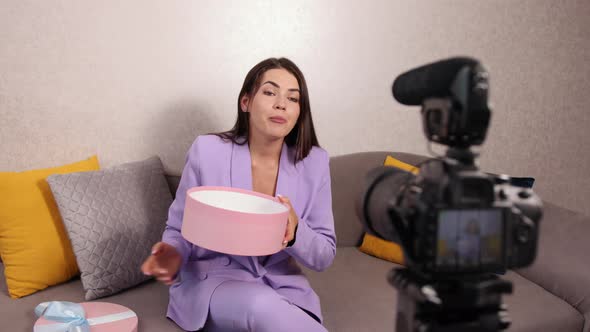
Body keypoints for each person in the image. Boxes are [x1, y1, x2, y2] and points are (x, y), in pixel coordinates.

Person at [141, 57, 336, 332]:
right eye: (269, 92)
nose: (281, 103)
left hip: (284, 290)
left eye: (293, 98)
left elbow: (324, 255)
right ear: (246, 102)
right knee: (260, 306)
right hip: (215, 282)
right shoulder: (208, 151)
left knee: (267, 306)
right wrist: (172, 254)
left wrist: (295, 232)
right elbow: (180, 227)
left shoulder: (315, 163)